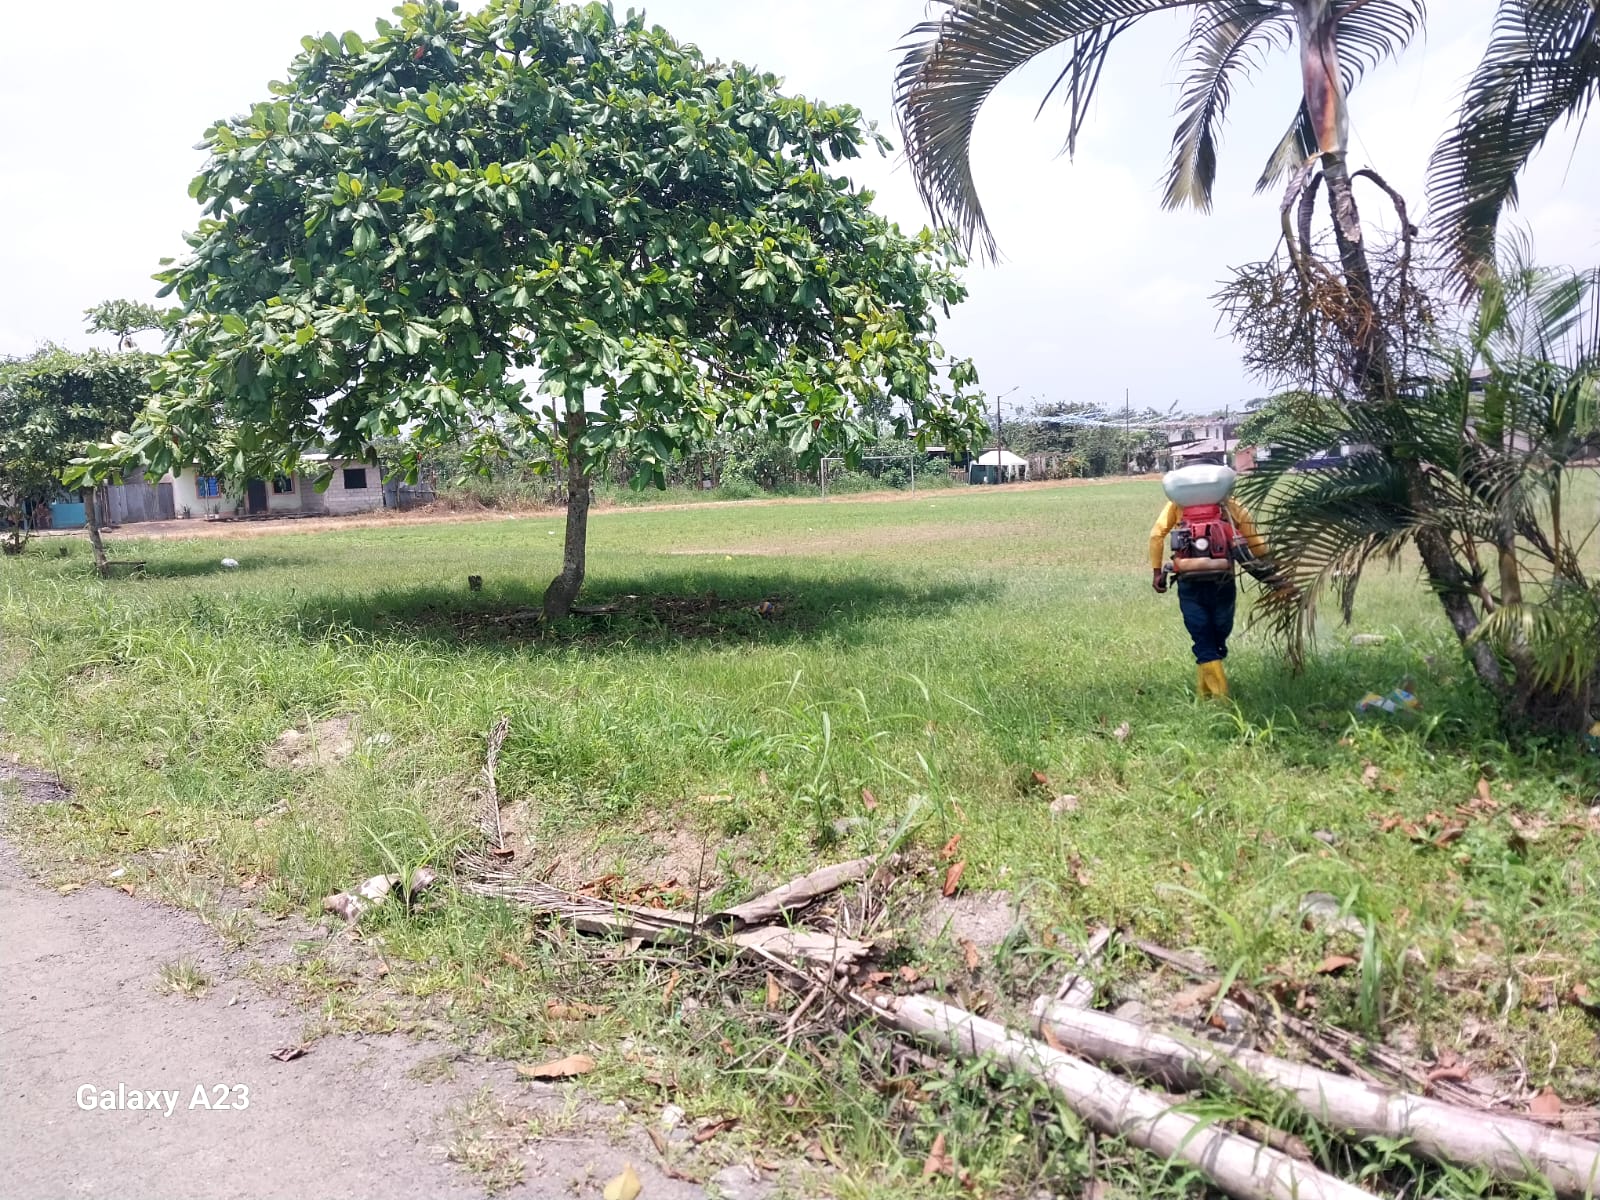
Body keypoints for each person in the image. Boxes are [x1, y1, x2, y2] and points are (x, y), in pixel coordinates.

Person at [1148, 464, 1268, 699]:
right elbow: (1256, 543)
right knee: (1218, 631)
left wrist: (1156, 572)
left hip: (1188, 580)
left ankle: (1205, 690)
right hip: (1223, 581)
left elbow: (1156, 535)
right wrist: (1272, 568)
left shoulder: (1177, 504)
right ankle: (1220, 697)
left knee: (1202, 632)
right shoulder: (1231, 505)